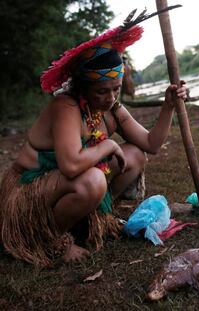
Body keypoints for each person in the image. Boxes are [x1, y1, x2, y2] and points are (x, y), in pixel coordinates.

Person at [0, 13, 186, 266]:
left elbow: (151, 144)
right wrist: (108, 144)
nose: (110, 98)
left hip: (63, 185)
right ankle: (53, 240)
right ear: (83, 87)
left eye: (116, 89)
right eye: (102, 91)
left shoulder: (112, 109)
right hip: (28, 192)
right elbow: (71, 166)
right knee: (93, 179)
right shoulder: (66, 106)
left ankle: (91, 219)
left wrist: (168, 107)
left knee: (133, 156)